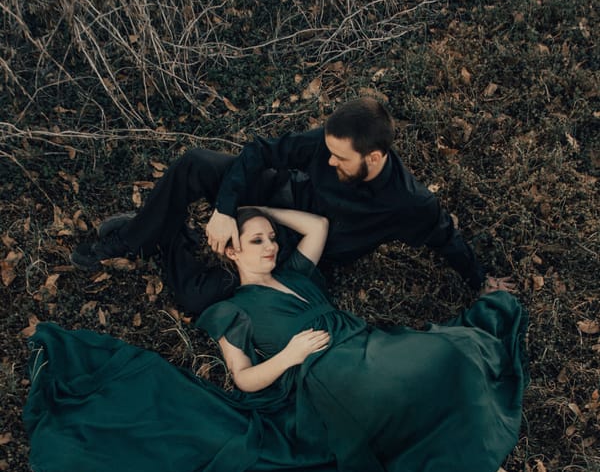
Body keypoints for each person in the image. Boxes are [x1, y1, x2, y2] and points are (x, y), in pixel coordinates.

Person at [25, 207, 528, 472]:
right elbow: (242, 377)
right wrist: (288, 356)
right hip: (325, 381)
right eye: (257, 240)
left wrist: (250, 199)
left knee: (451, 357)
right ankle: (475, 458)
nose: (270, 246)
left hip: (365, 345)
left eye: (271, 238)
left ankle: (472, 457)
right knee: (431, 372)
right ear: (230, 248)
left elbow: (318, 226)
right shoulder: (231, 307)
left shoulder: (296, 276)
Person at [70, 97, 514, 313]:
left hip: (301, 248)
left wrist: (480, 280)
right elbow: (261, 150)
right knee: (194, 164)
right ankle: (132, 239)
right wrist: (225, 209)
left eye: (341, 159)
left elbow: (446, 239)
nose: (330, 160)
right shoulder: (328, 144)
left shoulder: (409, 203)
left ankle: (168, 237)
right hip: (278, 196)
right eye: (330, 151)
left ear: (374, 158)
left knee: (202, 297)